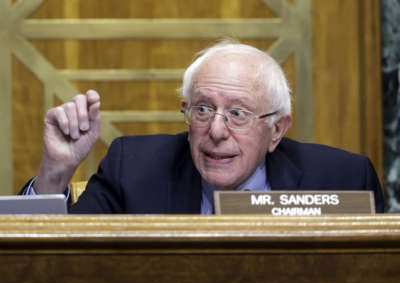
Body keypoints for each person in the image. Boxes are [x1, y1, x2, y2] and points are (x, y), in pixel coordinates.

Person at [20, 41, 384, 213]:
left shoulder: (344, 179)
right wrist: (54, 173)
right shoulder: (133, 168)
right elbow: (54, 267)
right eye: (203, 109)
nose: (217, 130)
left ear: (276, 130)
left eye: (239, 114)